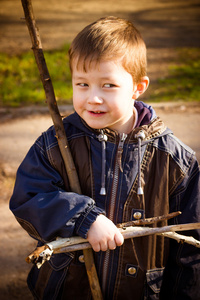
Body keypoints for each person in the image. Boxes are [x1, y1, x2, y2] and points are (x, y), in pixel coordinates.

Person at [10, 16, 200, 300]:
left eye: (108, 85)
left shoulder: (176, 161)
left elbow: (192, 250)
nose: (93, 98)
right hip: (69, 290)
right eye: (82, 84)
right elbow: (29, 197)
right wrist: (83, 218)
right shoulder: (56, 144)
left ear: (138, 87)